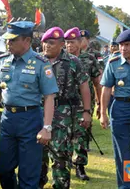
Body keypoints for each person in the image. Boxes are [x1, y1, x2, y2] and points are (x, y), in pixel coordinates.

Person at [0, 21, 59, 189]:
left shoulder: (41, 63)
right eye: (7, 40)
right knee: (3, 170)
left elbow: (49, 97)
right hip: (8, 120)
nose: (8, 43)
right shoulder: (2, 61)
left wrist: (46, 127)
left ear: (26, 41)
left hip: (30, 120)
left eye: (13, 40)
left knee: (28, 175)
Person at [39, 27, 92, 189]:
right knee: (37, 152)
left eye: (52, 43)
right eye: (45, 42)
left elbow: (84, 86)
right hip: (38, 112)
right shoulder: (37, 60)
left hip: (64, 113)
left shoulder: (73, 62)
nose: (47, 46)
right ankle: (38, 181)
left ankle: (61, 184)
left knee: (61, 153)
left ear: (62, 44)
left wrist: (87, 111)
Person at [100, 29, 130, 189]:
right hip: (120, 108)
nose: (123, 48)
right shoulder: (113, 63)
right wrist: (102, 114)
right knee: (122, 152)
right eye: (121, 45)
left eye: (127, 45)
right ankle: (126, 186)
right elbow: (106, 89)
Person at [64, 27, 102, 181]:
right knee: (64, 134)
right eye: (67, 42)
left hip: (84, 104)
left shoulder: (89, 59)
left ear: (80, 42)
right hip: (64, 104)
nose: (69, 46)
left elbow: (96, 82)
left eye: (72, 42)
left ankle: (80, 166)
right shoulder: (61, 59)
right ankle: (64, 164)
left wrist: (100, 104)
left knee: (82, 134)